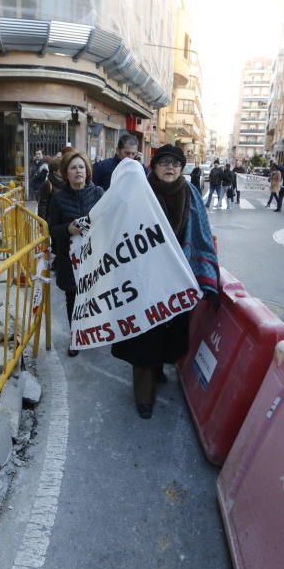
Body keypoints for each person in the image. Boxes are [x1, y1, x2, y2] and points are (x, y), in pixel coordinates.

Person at [111, 144, 219, 419]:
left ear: (182, 167)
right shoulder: (139, 192)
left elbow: (202, 235)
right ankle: (143, 398)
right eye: (163, 162)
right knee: (144, 338)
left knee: (168, 334)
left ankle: (158, 368)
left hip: (176, 281)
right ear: (154, 167)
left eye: (175, 163)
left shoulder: (192, 194)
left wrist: (207, 276)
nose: (169, 167)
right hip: (143, 280)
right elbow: (119, 229)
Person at [47, 150, 104, 357]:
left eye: (81, 167)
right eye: (73, 168)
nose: (78, 171)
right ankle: (76, 337)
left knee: (94, 297)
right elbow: (51, 229)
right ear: (66, 174)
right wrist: (68, 229)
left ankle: (94, 331)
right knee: (73, 299)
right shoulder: (58, 198)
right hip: (69, 260)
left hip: (95, 258)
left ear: (87, 171)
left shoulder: (98, 193)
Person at [37, 156, 65, 223]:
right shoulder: (48, 184)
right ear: (55, 170)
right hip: (50, 221)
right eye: (62, 168)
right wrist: (42, 223)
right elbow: (42, 205)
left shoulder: (66, 182)